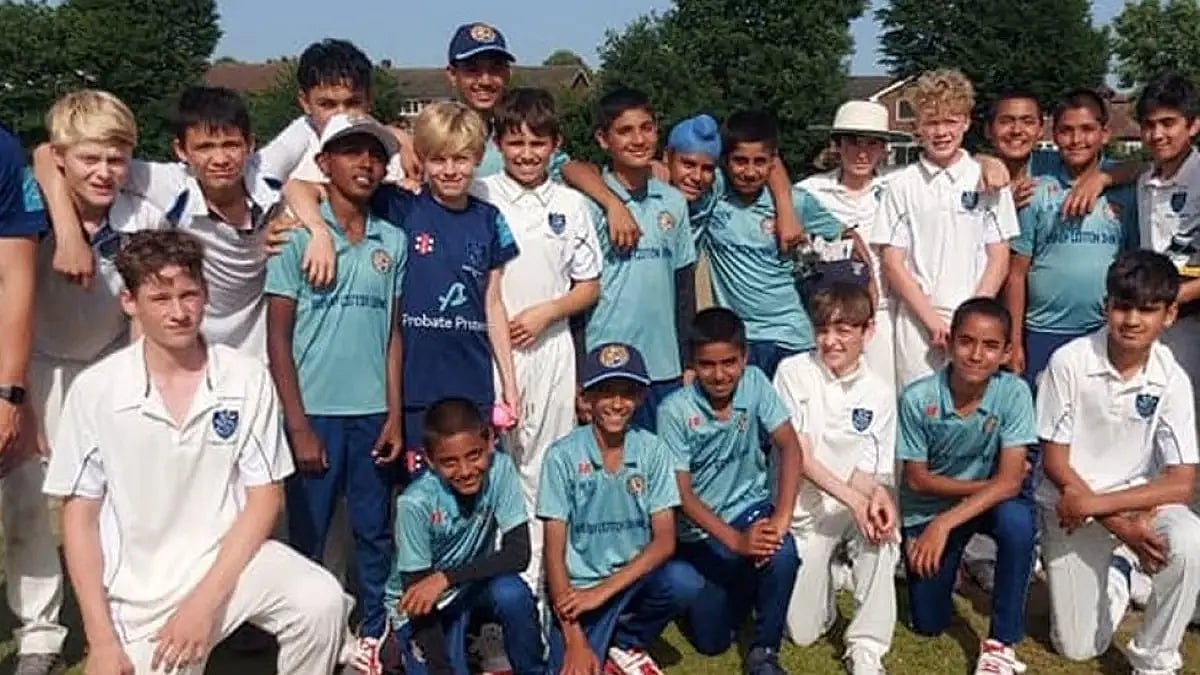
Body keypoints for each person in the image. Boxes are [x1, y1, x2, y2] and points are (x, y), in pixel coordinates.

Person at [44, 230, 350, 675]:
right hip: (142, 595)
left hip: (232, 565)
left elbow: (265, 498)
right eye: (160, 298)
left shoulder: (245, 378)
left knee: (320, 601)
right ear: (129, 302)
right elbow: (80, 518)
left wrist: (202, 606)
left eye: (189, 294)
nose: (179, 312)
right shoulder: (96, 391)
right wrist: (102, 641)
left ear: (206, 294)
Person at [264, 114, 407, 672]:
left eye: (374, 155)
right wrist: (297, 424)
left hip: (371, 413)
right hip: (315, 414)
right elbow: (278, 339)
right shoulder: (296, 236)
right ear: (324, 163)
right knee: (309, 535)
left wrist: (394, 415)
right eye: (350, 152)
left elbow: (392, 335)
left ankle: (372, 634)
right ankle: (306, 639)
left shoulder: (391, 240)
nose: (364, 164)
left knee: (373, 531)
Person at [1038, 249, 1200, 675]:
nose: (1132, 320)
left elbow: (1182, 483)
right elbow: (1054, 462)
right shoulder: (1069, 361)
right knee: (1076, 648)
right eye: (1123, 306)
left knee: (1191, 540)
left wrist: (1103, 508)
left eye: (1147, 310)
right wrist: (1121, 528)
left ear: (1169, 315)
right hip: (1069, 505)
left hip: (1123, 504)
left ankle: (1154, 659)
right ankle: (1119, 575)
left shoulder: (1172, 377)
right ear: (1106, 305)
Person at [35, 86, 287, 360]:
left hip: (113, 360)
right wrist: (68, 235)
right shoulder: (31, 208)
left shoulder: (146, 215)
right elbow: (43, 153)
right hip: (35, 361)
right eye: (90, 160)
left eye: (116, 161)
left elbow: (147, 307)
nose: (104, 173)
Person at [469, 87, 601, 597]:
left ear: (555, 144)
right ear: (498, 144)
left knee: (543, 470)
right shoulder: (479, 193)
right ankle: (491, 599)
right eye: (516, 142)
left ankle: (540, 593)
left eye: (537, 143)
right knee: (489, 469)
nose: (526, 153)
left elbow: (588, 286)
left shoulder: (571, 204)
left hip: (550, 351)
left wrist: (547, 312)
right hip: (488, 353)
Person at [356, 101, 520, 476]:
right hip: (414, 384)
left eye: (460, 159)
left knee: (471, 487)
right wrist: (401, 139)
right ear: (422, 159)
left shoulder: (489, 219)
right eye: (438, 159)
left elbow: (493, 304)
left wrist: (509, 384)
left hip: (472, 384)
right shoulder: (399, 206)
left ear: (478, 158)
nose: (449, 170)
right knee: (418, 491)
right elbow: (315, 187)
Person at [538, 343, 702, 675]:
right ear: (586, 398)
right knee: (571, 666)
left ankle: (628, 642)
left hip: (632, 581)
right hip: (577, 591)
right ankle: (599, 642)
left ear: (641, 397)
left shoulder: (652, 450)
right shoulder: (561, 456)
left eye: (627, 393)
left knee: (684, 581)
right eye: (605, 392)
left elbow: (664, 541)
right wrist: (574, 638)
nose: (617, 403)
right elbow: (553, 554)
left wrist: (602, 593)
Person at [657, 308, 802, 675]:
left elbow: (789, 445)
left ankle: (764, 652)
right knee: (712, 642)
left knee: (782, 550)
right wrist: (737, 542)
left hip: (749, 508)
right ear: (692, 363)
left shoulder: (755, 382)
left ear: (745, 357)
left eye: (729, 363)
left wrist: (782, 516)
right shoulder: (674, 410)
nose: (719, 374)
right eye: (707, 364)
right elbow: (682, 495)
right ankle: (738, 584)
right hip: (699, 532)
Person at [897, 298, 1037, 675]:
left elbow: (1010, 485)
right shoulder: (917, 398)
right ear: (949, 343)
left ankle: (1000, 643)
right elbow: (917, 479)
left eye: (990, 346)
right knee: (928, 624)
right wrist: (998, 484)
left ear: (1006, 352)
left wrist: (945, 524)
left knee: (1018, 523)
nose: (976, 355)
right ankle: (949, 563)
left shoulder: (1014, 392)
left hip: (979, 507)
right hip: (930, 507)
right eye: (966, 341)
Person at [772, 284, 899, 675]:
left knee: (881, 531)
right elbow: (801, 458)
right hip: (803, 515)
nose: (830, 341)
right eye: (822, 330)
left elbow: (866, 471)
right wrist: (857, 500)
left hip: (845, 507)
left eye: (843, 330)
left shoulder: (879, 393)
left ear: (868, 331)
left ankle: (866, 648)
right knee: (803, 632)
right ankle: (831, 574)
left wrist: (876, 497)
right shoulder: (792, 372)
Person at [872, 69, 1019, 388]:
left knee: (970, 406)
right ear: (917, 127)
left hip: (973, 321)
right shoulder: (901, 185)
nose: (941, 132)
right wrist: (932, 322)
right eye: (931, 122)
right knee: (918, 405)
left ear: (966, 122)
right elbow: (893, 263)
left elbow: (999, 257)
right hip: (918, 324)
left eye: (950, 121)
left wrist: (971, 319)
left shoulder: (988, 179)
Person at [385, 398, 545, 675]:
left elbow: (518, 554)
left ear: (490, 442)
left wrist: (446, 578)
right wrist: (441, 668)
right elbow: (419, 599)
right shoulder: (414, 503)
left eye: (474, 455)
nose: (466, 471)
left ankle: (532, 669)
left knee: (513, 593)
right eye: (449, 462)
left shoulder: (500, 469)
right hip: (421, 611)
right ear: (430, 461)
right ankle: (394, 645)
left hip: (466, 586)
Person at [696, 110, 849, 379]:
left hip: (792, 336)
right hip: (741, 339)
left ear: (772, 161)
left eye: (760, 162)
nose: (750, 172)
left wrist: (864, 288)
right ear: (725, 160)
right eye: (740, 161)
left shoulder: (797, 202)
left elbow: (847, 236)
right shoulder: (713, 199)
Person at [1005, 89, 1139, 389]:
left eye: (1087, 129)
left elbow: (1133, 265)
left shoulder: (1126, 192)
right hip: (1043, 330)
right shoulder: (1036, 190)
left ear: (1105, 133)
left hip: (1104, 329)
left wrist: (1104, 178)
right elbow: (1016, 273)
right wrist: (1014, 342)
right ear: (1054, 135)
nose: (1077, 139)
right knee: (1044, 412)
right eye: (1066, 130)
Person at [583, 87, 696, 432]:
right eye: (625, 131)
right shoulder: (588, 204)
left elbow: (684, 287)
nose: (638, 139)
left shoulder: (674, 202)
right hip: (606, 361)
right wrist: (578, 371)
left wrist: (688, 360)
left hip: (664, 366)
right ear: (603, 139)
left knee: (662, 458)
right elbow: (578, 290)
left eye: (646, 128)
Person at [0, 122, 67, 675]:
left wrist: (9, 389)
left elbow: (13, 276)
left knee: (24, 487)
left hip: (7, 357)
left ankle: (39, 632)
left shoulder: (1, 150)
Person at [796, 100, 912, 391]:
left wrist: (990, 163)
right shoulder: (809, 192)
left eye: (872, 143)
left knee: (881, 394)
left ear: (884, 148)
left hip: (882, 313)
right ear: (837, 144)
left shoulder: (900, 186)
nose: (862, 153)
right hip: (825, 316)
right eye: (853, 142)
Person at [1135, 71, 1200, 442]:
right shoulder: (1145, 181)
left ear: (1193, 125)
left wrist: (1172, 298)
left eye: (1168, 123)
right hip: (1156, 320)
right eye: (1149, 125)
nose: (1157, 134)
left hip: (1190, 319)